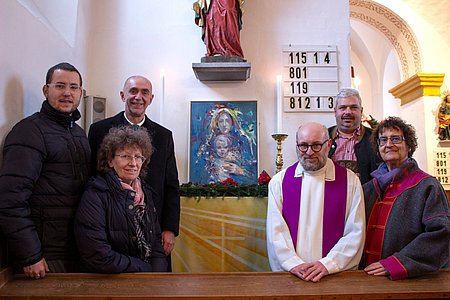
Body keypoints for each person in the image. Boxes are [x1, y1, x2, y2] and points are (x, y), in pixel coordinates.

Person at [0, 62, 91, 278]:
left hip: (74, 247)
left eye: (74, 87)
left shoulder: (79, 133)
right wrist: (30, 254)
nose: (67, 93)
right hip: (44, 253)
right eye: (60, 86)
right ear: (45, 90)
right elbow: (10, 200)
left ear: (80, 93)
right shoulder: (28, 132)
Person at [88, 75, 180, 271]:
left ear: (151, 98)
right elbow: (92, 175)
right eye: (133, 91)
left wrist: (169, 228)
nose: (138, 97)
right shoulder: (99, 130)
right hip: (112, 227)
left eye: (144, 92)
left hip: (153, 229)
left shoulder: (164, 136)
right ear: (123, 95)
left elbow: (171, 185)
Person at [266, 122, 365, 282]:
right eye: (303, 146)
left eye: (316, 145)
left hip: (334, 275)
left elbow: (355, 232)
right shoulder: (279, 182)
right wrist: (293, 264)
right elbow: (275, 231)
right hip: (293, 275)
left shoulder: (350, 181)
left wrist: (328, 264)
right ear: (297, 146)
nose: (309, 152)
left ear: (329, 145)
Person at [362, 116, 450, 280]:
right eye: (383, 140)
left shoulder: (427, 186)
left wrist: (396, 263)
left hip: (409, 279)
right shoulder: (368, 189)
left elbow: (442, 233)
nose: (389, 144)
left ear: (409, 145)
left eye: (396, 139)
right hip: (366, 278)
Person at [75, 126, 167, 273]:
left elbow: (156, 244)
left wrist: (156, 276)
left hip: (147, 279)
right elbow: (97, 254)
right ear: (110, 160)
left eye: (138, 157)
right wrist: (145, 270)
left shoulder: (146, 192)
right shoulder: (96, 194)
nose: (133, 163)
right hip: (111, 279)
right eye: (125, 156)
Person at [328, 88, 380, 184]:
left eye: (353, 107)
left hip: (366, 198)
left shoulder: (377, 138)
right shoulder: (324, 138)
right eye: (342, 108)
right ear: (335, 112)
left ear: (361, 111)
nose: (348, 112)